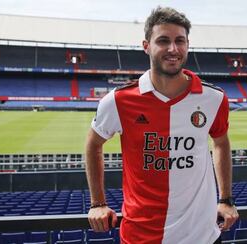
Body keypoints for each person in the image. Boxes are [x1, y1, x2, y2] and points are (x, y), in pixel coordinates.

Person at [85, 6, 239, 244]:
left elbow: (221, 142)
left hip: (202, 236)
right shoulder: (118, 100)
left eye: (180, 41)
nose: (173, 49)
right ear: (146, 46)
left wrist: (226, 199)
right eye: (163, 41)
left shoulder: (213, 99)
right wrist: (98, 203)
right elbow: (93, 144)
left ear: (188, 45)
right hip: (141, 236)